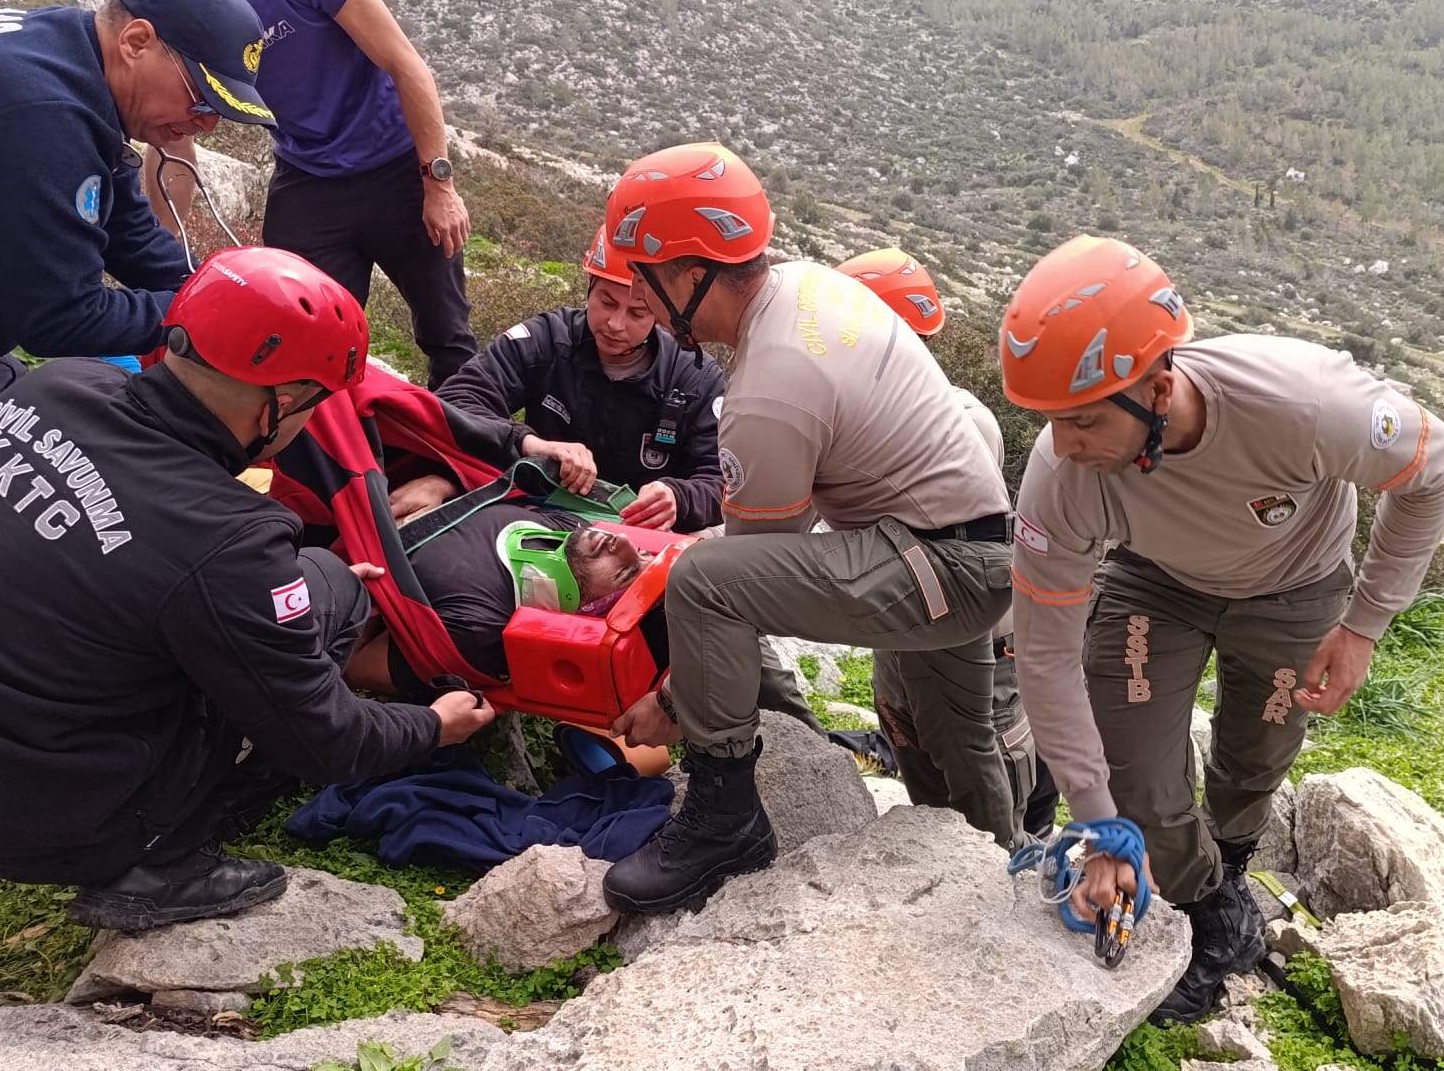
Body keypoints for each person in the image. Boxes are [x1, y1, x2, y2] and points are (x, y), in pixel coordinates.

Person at [0, 247, 494, 931]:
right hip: (34, 829)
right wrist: (432, 725)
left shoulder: (50, 389)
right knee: (303, 630)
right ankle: (164, 862)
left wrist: (308, 591)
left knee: (330, 584)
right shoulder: (228, 537)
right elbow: (326, 744)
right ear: (279, 402)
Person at [1000, 236, 1444, 1024]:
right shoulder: (1061, 476)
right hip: (1156, 584)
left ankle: (1236, 859)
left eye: (1080, 422)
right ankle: (1210, 907)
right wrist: (1099, 818)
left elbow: (1435, 462)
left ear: (1158, 383)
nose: (1063, 447)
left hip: (1297, 585)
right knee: (1135, 772)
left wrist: (1365, 625)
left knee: (1254, 758)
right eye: (1049, 423)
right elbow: (1044, 657)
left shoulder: (1303, 404)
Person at [594, 144, 1015, 913]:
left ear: (691, 273)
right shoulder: (805, 288)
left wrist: (672, 700)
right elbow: (776, 527)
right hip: (960, 548)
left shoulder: (769, 386)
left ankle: (725, 817)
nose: (642, 304)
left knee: (705, 584)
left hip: (932, 562)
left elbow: (737, 586)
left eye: (645, 281)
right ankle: (995, 879)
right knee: (953, 738)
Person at [72, 0, 479, 388]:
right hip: (309, 176)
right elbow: (176, 139)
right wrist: (158, 255)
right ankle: (343, 468)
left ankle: (460, 463)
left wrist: (439, 184)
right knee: (296, 342)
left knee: (446, 337)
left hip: (397, 167)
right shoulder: (176, 3)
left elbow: (404, 63)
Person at [0, 0, 272, 502]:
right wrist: (202, 321)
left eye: (220, 111)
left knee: (48, 417)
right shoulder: (40, 112)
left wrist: (216, 291)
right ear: (136, 42)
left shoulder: (64, 56)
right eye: (201, 97)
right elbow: (60, 317)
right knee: (47, 505)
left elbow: (127, 226)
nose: (207, 125)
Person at [835, 246, 1041, 838]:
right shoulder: (860, 418)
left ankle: (999, 869)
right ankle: (941, 864)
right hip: (902, 627)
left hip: (969, 637)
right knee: (915, 746)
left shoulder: (961, 421)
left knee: (976, 763)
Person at [426, 224, 725, 533]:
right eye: (606, 302)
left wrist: (679, 498)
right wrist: (530, 443)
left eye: (638, 313)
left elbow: (724, 479)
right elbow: (456, 400)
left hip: (641, 535)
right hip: (539, 512)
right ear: (589, 287)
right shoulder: (547, 339)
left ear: (662, 312)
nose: (615, 324)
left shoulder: (695, 379)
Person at [344, 503, 651, 697]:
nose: (622, 541)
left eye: (624, 572)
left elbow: (353, 666)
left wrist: (377, 591)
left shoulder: (479, 632)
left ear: (583, 613)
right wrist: (441, 483)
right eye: (641, 553)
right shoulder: (570, 528)